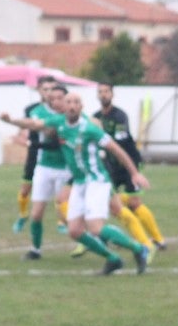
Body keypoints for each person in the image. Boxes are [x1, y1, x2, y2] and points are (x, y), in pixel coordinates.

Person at [59, 91, 151, 275]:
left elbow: (116, 149)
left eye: (76, 102)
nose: (71, 105)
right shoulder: (60, 125)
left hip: (97, 181)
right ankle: (113, 259)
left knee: (96, 228)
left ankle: (139, 248)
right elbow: (35, 124)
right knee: (75, 231)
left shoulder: (90, 128)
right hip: (80, 182)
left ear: (82, 106)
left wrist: (134, 173)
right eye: (68, 102)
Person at [92, 82, 165, 256]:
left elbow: (118, 141)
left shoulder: (120, 116)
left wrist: (99, 133)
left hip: (129, 162)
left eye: (106, 91)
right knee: (111, 204)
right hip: (111, 166)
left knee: (134, 204)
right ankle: (109, 237)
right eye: (100, 92)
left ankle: (158, 240)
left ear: (112, 94)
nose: (103, 95)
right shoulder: (95, 117)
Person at [0, 84, 70, 260]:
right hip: (44, 167)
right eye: (52, 98)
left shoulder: (72, 117)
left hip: (66, 169)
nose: (56, 101)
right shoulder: (42, 114)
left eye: (60, 98)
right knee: (36, 213)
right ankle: (35, 249)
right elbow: (34, 125)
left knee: (67, 215)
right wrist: (11, 121)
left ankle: (91, 239)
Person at [10, 75, 57, 233]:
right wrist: (22, 139)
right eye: (46, 89)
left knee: (61, 192)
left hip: (56, 154)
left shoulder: (60, 109)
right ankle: (23, 216)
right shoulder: (31, 110)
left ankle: (61, 222)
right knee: (25, 189)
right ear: (39, 90)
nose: (49, 93)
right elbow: (22, 131)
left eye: (52, 89)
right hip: (35, 152)